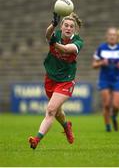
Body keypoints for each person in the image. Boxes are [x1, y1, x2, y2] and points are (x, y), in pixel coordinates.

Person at [28, 12, 84, 149]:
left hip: (66, 81)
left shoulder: (78, 42)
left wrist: (55, 43)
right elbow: (47, 35)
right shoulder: (56, 34)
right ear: (62, 26)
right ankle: (66, 126)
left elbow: (65, 50)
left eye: (71, 26)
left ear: (75, 29)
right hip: (50, 78)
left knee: (51, 110)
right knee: (57, 111)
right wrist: (53, 24)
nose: (68, 28)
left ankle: (36, 139)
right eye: (66, 25)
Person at [92, 27, 119, 132]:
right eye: (110, 34)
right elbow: (94, 65)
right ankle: (108, 126)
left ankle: (114, 117)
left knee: (116, 106)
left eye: (114, 35)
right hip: (104, 79)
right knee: (106, 104)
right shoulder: (101, 48)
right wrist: (101, 63)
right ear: (107, 36)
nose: (112, 36)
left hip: (117, 79)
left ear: (117, 37)